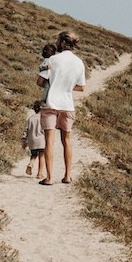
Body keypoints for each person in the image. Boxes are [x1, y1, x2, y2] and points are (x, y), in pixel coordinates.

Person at [37, 30, 86, 185]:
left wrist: (52, 82)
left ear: (63, 42)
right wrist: (67, 86)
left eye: (58, 40)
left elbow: (39, 82)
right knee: (67, 140)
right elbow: (81, 87)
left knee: (49, 141)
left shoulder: (52, 60)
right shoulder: (79, 63)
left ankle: (50, 177)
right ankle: (67, 175)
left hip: (51, 103)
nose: (56, 43)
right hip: (67, 104)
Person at [22, 100, 47, 179]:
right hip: (41, 140)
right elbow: (45, 130)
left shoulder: (30, 118)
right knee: (42, 156)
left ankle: (31, 163)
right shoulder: (44, 119)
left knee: (34, 154)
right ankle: (40, 173)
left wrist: (24, 140)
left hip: (32, 140)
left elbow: (26, 130)